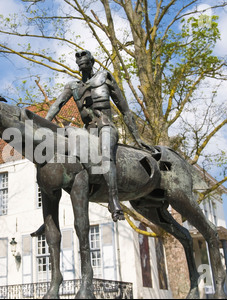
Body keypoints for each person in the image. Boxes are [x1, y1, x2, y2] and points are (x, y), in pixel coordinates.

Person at [45, 50, 152, 222]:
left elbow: (124, 109)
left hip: (106, 126)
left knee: (105, 153)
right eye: (79, 60)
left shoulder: (105, 77)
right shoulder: (73, 86)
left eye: (85, 59)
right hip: (88, 131)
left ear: (92, 61)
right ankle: (51, 216)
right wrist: (44, 125)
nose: (82, 61)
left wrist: (137, 138)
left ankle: (114, 200)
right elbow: (56, 106)